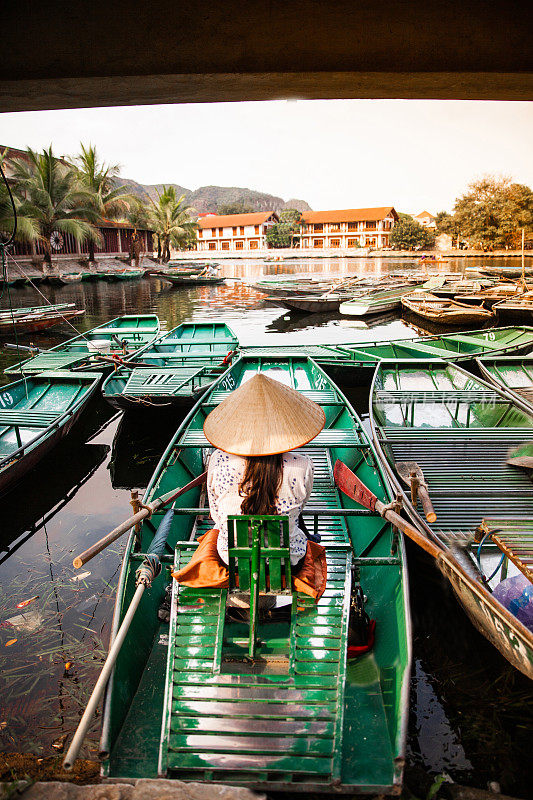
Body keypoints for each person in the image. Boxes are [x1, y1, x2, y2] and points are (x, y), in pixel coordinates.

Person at [172, 373, 328, 600]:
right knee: (299, 526)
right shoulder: (302, 465)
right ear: (284, 426)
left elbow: (216, 515)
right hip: (288, 562)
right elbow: (300, 507)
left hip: (232, 560)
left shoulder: (218, 460)